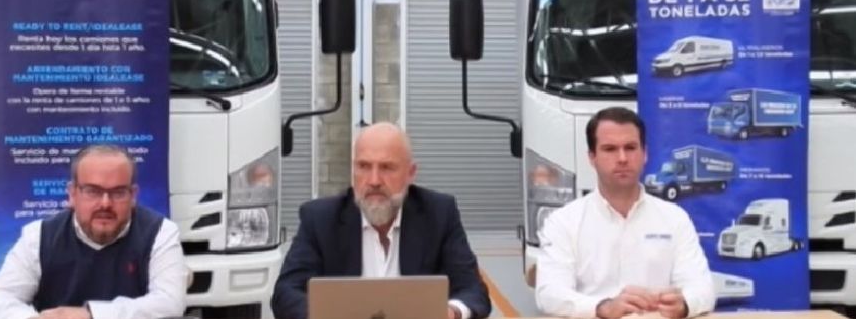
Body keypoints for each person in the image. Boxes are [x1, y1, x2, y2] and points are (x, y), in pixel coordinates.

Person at [271, 122, 491, 319]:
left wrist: (451, 312)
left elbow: (473, 290)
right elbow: (285, 293)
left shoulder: (439, 214)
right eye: (364, 166)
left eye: (387, 167)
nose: (374, 180)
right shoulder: (320, 219)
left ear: (410, 173)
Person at [534, 107, 715, 319]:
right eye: (610, 149)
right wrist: (603, 308)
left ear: (645, 154)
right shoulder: (563, 222)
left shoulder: (675, 218)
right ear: (592, 157)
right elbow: (549, 294)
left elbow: (703, 288)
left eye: (630, 148)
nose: (622, 158)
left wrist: (683, 304)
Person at [0, 144, 188, 319]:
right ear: (72, 194)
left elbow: (170, 302)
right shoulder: (39, 237)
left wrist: (91, 315)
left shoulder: (160, 232)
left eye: (118, 192)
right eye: (92, 191)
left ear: (133, 196)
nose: (105, 203)